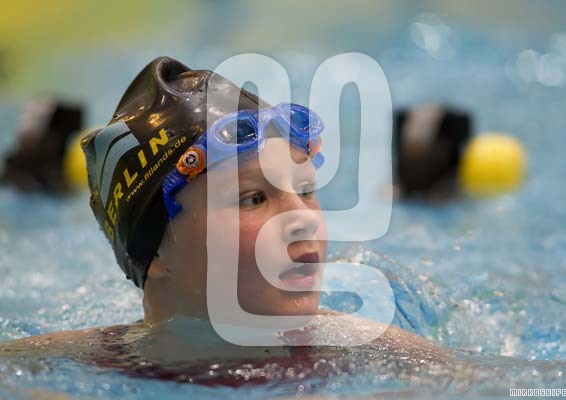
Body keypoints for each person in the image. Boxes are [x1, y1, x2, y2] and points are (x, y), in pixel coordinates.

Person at [0, 57, 449, 385]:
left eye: (307, 190)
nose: (303, 219)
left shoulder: (369, 349)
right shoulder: (70, 366)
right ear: (155, 251)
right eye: (253, 198)